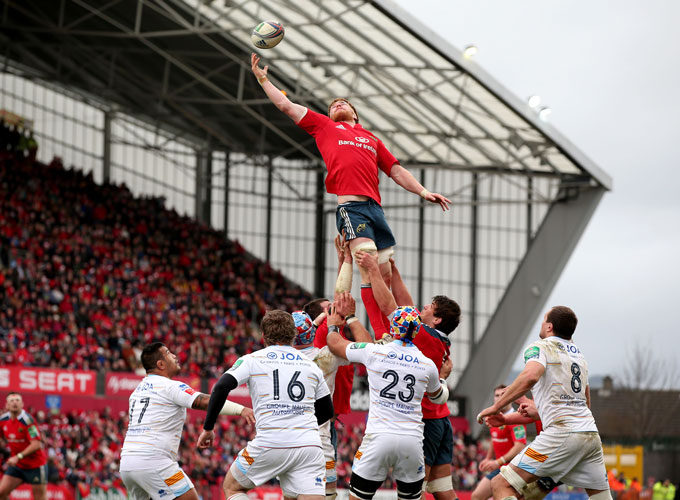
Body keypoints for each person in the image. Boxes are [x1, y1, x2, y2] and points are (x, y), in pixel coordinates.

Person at [250, 53, 451, 291]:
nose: (337, 104)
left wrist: (423, 191)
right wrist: (264, 80)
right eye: (333, 105)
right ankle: (354, 316)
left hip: (376, 210)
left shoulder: (372, 139)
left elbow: (396, 171)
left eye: (343, 102)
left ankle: (389, 325)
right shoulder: (325, 126)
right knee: (368, 263)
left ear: (355, 114)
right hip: (352, 208)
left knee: (386, 275)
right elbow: (286, 105)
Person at [354, 250, 462, 500]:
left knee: (417, 490)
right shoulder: (436, 339)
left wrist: (372, 269)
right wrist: (394, 270)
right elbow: (406, 305)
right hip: (441, 419)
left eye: (429, 307)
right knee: (444, 489)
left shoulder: (424, 336)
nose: (421, 308)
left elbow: (391, 307)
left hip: (424, 420)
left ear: (436, 318)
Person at [197, 310, 335, 500]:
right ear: (293, 335)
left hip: (272, 441)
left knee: (232, 487)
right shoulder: (311, 365)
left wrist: (208, 428)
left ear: (263, 336)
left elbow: (220, 387)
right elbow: (327, 410)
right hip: (309, 446)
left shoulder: (252, 360)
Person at [477, 306, 611, 500]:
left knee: (500, 483)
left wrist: (496, 406)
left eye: (543, 319)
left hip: (560, 436)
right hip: (589, 437)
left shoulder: (540, 347)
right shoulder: (579, 357)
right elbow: (584, 405)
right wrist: (531, 413)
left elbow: (530, 376)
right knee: (601, 498)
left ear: (549, 326)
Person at [325, 303, 449, 500]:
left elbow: (335, 344)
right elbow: (438, 397)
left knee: (358, 497)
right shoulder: (427, 364)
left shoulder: (374, 351)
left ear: (393, 328)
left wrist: (332, 326)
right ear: (417, 330)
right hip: (412, 441)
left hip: (379, 437)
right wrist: (443, 377)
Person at [119, 343, 254, 500]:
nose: (174, 356)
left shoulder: (136, 392)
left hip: (128, 464)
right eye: (168, 353)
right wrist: (241, 410)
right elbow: (204, 401)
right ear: (160, 364)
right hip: (154, 462)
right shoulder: (169, 386)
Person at [291, 294, 373, 500]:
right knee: (326, 495)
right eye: (331, 308)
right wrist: (351, 317)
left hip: (290, 435)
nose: (336, 307)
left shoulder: (276, 355)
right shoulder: (326, 349)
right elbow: (370, 349)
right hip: (319, 435)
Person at [472, 386, 527, 500]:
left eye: (503, 395)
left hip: (514, 468)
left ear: (510, 398)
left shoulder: (516, 419)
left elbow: (520, 446)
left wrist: (497, 462)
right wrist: (488, 458)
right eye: (497, 395)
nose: (499, 398)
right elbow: (494, 438)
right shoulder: (494, 416)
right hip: (500, 467)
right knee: (476, 496)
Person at [0, 393, 48, 500]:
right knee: (1, 493)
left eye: (17, 400)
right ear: (7, 405)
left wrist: (18, 457)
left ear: (22, 404)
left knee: (39, 498)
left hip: (35, 465)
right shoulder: (3, 420)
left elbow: (36, 444)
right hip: (17, 466)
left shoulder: (28, 421)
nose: (15, 403)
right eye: (12, 401)